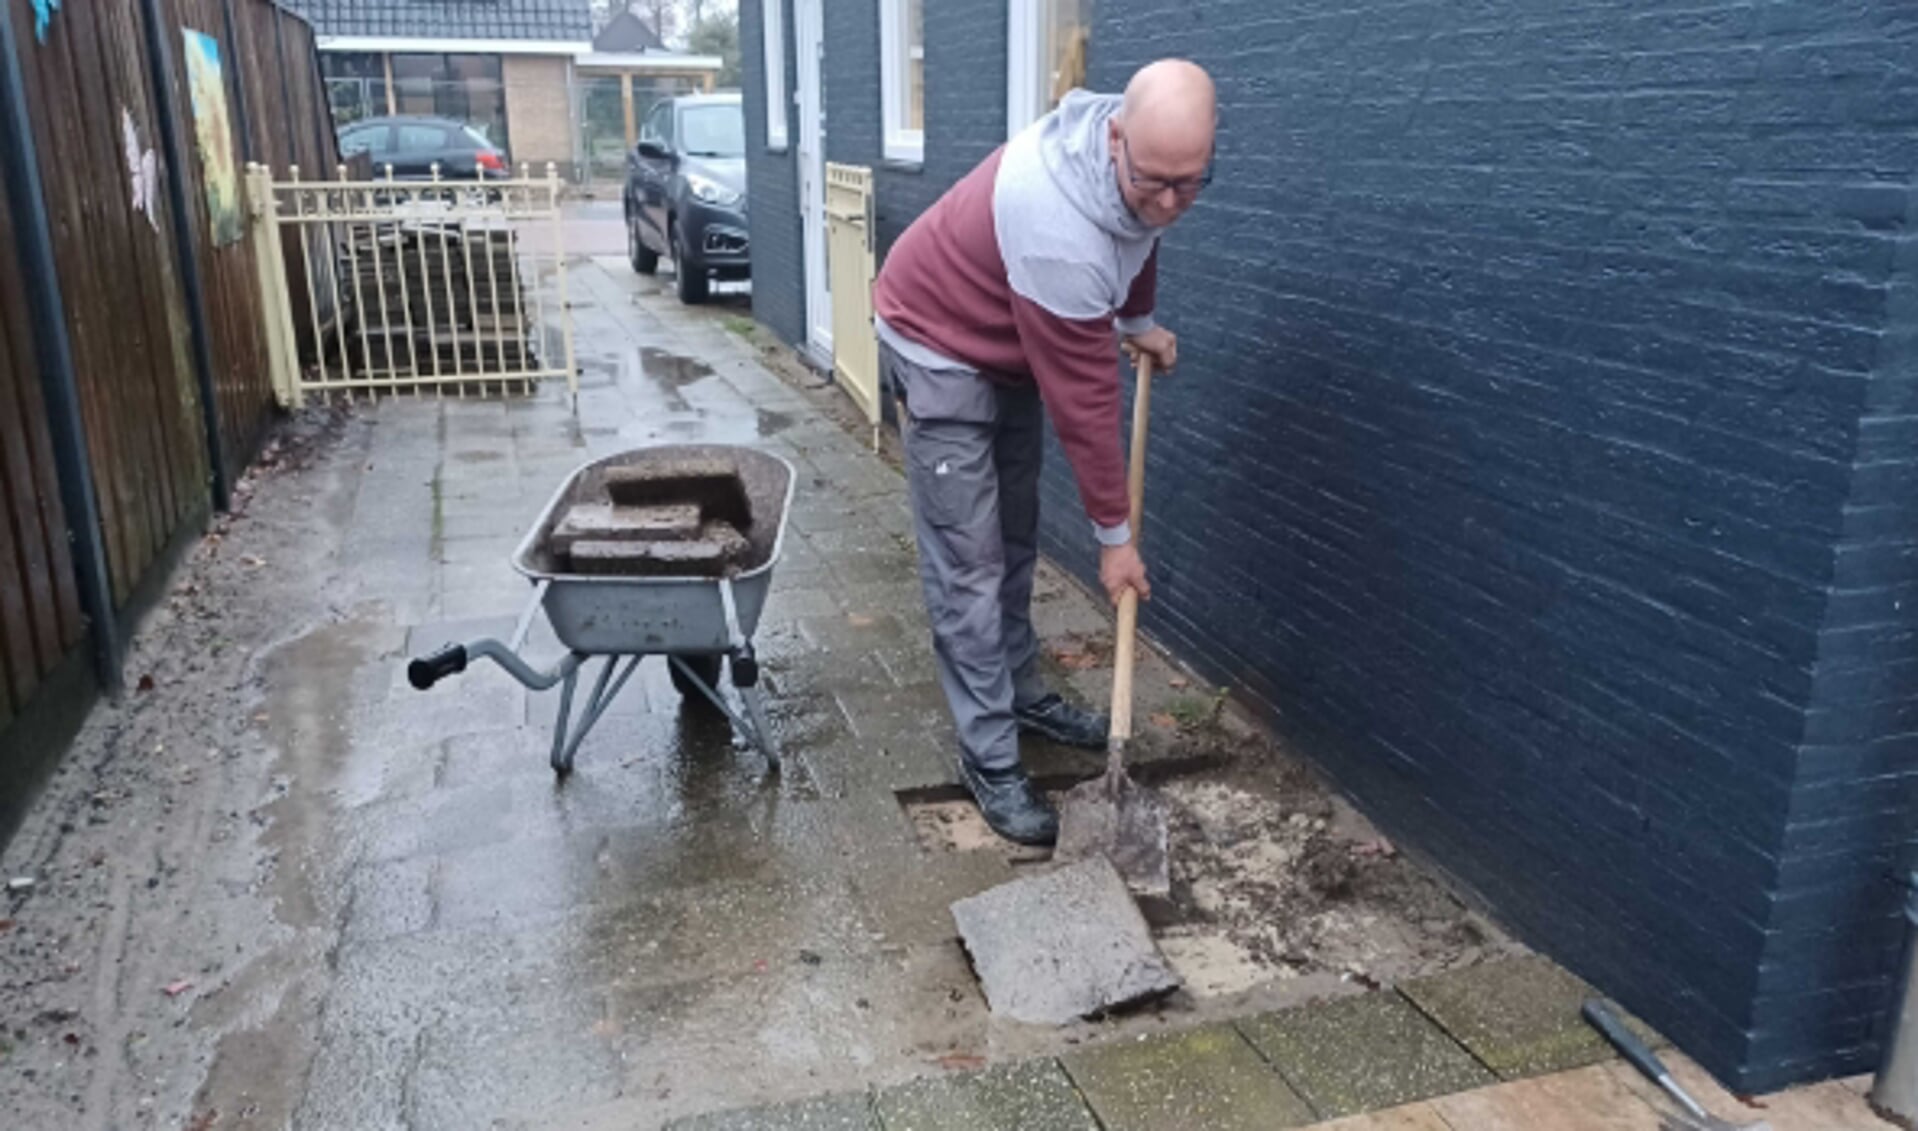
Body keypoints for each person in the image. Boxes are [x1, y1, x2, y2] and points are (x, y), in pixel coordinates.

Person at [872, 59, 1217, 846]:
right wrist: (1115, 540)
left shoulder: (1132, 163)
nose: (1169, 202)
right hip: (937, 339)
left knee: (1015, 535)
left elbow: (1139, 239)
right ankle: (988, 754)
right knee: (971, 560)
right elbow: (1085, 402)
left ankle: (1019, 691)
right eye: (1155, 180)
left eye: (1189, 184)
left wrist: (1137, 322)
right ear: (1116, 140)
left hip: (1011, 335)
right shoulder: (1056, 227)